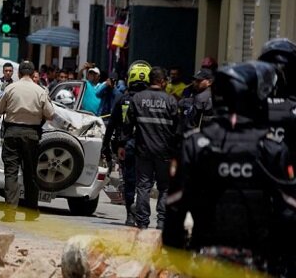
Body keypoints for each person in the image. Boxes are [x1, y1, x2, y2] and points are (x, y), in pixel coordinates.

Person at [163, 61, 292, 275]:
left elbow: (175, 208)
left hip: (205, 261)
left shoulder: (195, 145)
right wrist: (279, 261)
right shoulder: (273, 149)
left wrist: (178, 257)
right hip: (256, 264)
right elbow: (288, 213)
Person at [0, 61, 55, 222]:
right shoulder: (40, 90)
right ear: (33, 72)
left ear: (19, 74)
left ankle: (10, 212)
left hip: (12, 133)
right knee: (30, 173)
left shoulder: (10, 88)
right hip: (31, 135)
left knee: (11, 172)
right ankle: (30, 211)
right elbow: (50, 114)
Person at [124, 67, 178, 230]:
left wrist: (122, 144)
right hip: (164, 152)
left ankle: (142, 222)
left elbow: (127, 126)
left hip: (143, 151)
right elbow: (178, 129)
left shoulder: (138, 98)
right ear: (162, 82)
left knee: (143, 186)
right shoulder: (170, 101)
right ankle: (162, 221)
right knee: (165, 187)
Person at [102, 60, 151, 226]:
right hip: (148, 147)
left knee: (129, 181)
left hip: (127, 146)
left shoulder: (124, 99)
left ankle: (130, 214)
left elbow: (112, 124)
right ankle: (142, 215)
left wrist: (106, 145)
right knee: (145, 183)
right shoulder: (152, 100)